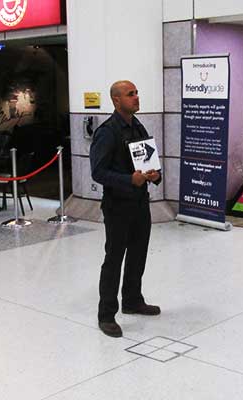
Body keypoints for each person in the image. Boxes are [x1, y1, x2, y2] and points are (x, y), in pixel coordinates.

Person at [89, 80, 162, 338]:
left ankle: (132, 300)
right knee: (114, 258)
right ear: (116, 100)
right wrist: (128, 180)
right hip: (118, 205)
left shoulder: (138, 126)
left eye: (137, 93)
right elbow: (98, 172)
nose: (136, 97)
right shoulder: (107, 132)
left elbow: (149, 160)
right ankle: (106, 314)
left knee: (138, 254)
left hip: (140, 203)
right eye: (130, 94)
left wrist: (155, 175)